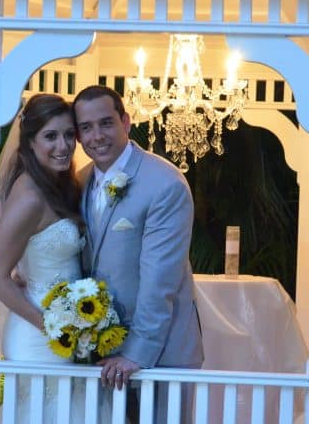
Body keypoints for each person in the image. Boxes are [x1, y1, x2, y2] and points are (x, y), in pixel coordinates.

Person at [74, 85, 204, 421]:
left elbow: (160, 279)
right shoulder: (80, 180)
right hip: (101, 354)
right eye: (86, 128)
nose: (96, 136)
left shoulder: (165, 183)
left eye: (106, 123)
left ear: (126, 122)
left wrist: (137, 354)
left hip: (161, 354)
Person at [0, 93, 87, 423]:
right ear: (30, 142)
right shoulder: (29, 197)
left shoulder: (59, 186)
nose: (63, 145)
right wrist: (49, 325)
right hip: (38, 337)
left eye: (69, 135)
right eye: (50, 136)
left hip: (64, 333)